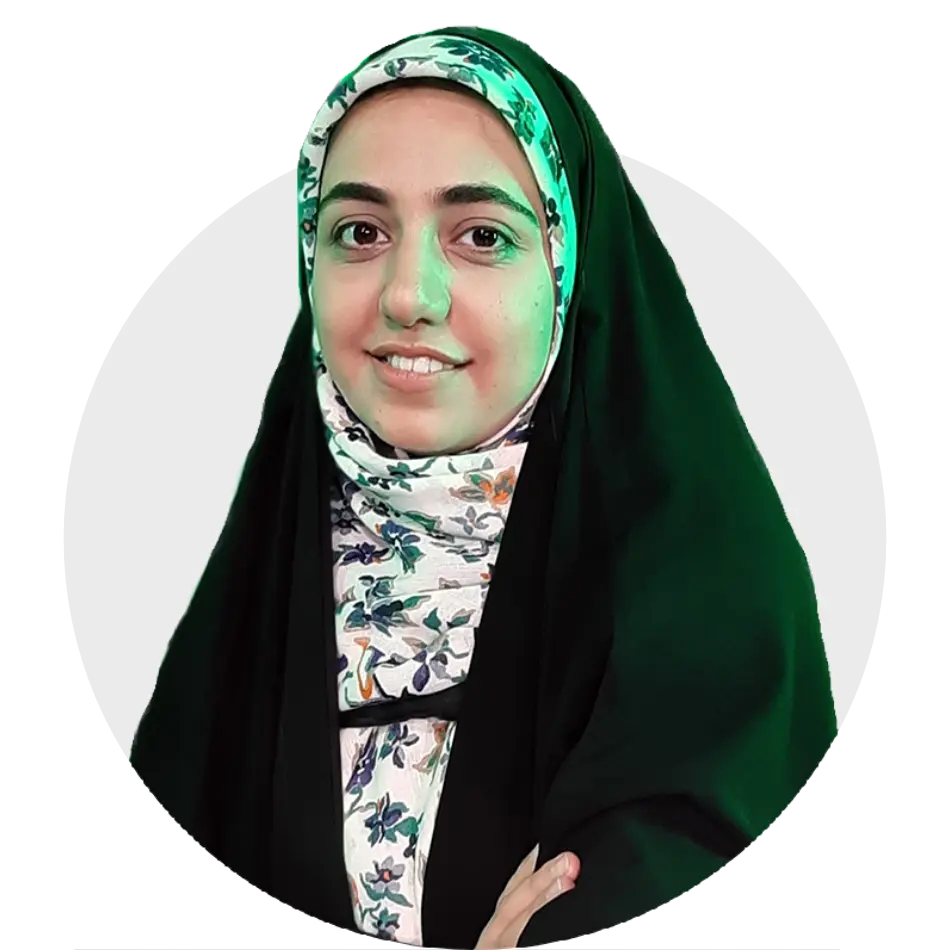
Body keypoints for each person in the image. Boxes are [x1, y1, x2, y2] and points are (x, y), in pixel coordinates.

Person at [127, 24, 838, 948]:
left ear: (568, 267)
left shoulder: (710, 605)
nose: (408, 295)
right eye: (359, 232)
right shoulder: (255, 593)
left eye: (481, 236)